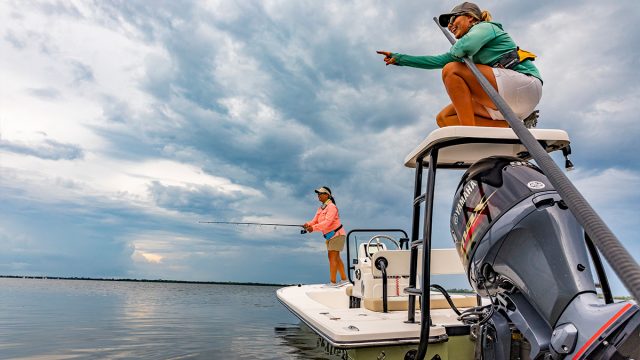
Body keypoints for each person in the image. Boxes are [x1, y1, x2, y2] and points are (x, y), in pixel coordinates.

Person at [377, 2, 542, 128]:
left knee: (452, 69)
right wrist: (400, 59)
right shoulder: (466, 51)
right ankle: (516, 128)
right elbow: (438, 61)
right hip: (507, 99)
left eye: (452, 19)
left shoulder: (486, 27)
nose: (449, 26)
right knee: (444, 118)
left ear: (470, 17)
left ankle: (470, 135)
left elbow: (464, 47)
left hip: (524, 86)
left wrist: (456, 54)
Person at [303, 186, 348, 286]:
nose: (318, 195)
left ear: (327, 195)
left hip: (337, 234)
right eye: (318, 194)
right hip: (330, 236)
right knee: (336, 258)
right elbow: (314, 221)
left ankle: (333, 282)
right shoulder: (321, 208)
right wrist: (308, 224)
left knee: (332, 257)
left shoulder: (332, 207)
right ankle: (345, 280)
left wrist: (313, 228)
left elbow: (327, 223)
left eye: (320, 193)